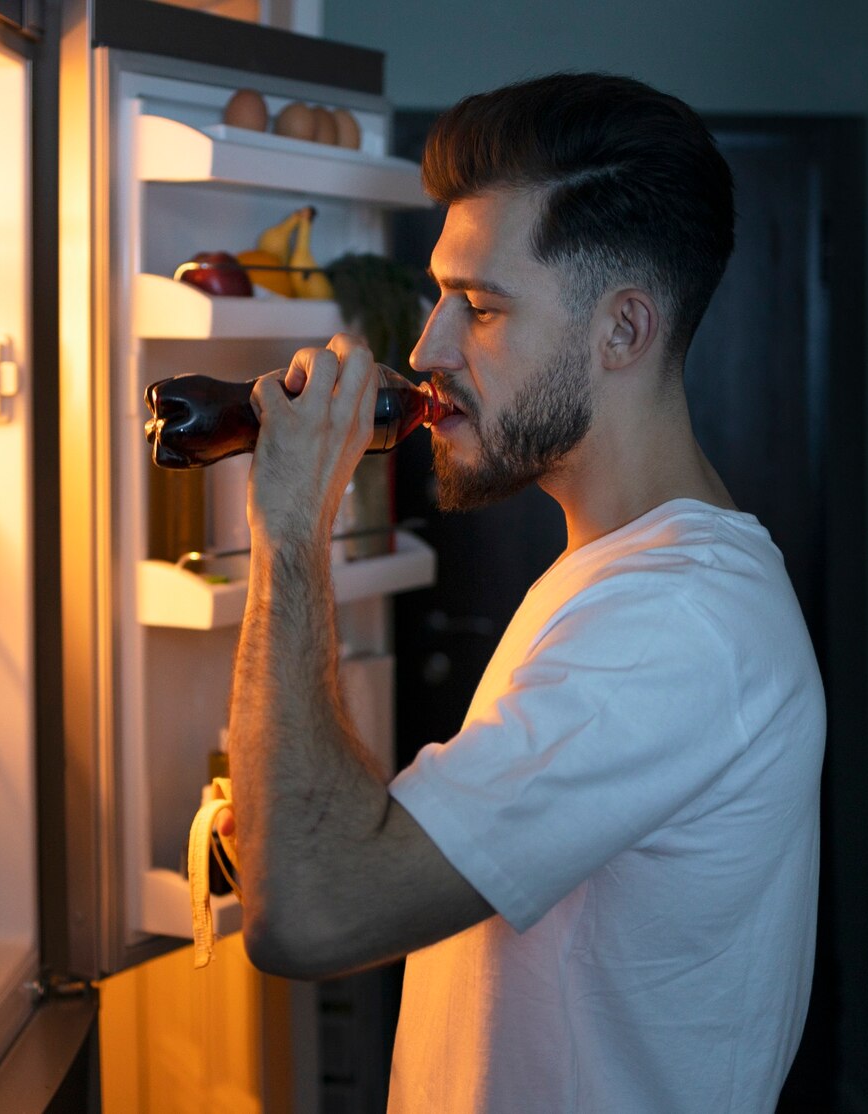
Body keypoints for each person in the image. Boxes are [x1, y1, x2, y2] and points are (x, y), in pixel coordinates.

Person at [225, 72, 825, 1113]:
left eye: (483, 307)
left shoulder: (675, 621)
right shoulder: (618, 576)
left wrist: (288, 533)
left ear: (624, 330)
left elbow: (310, 915)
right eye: (440, 296)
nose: (427, 349)